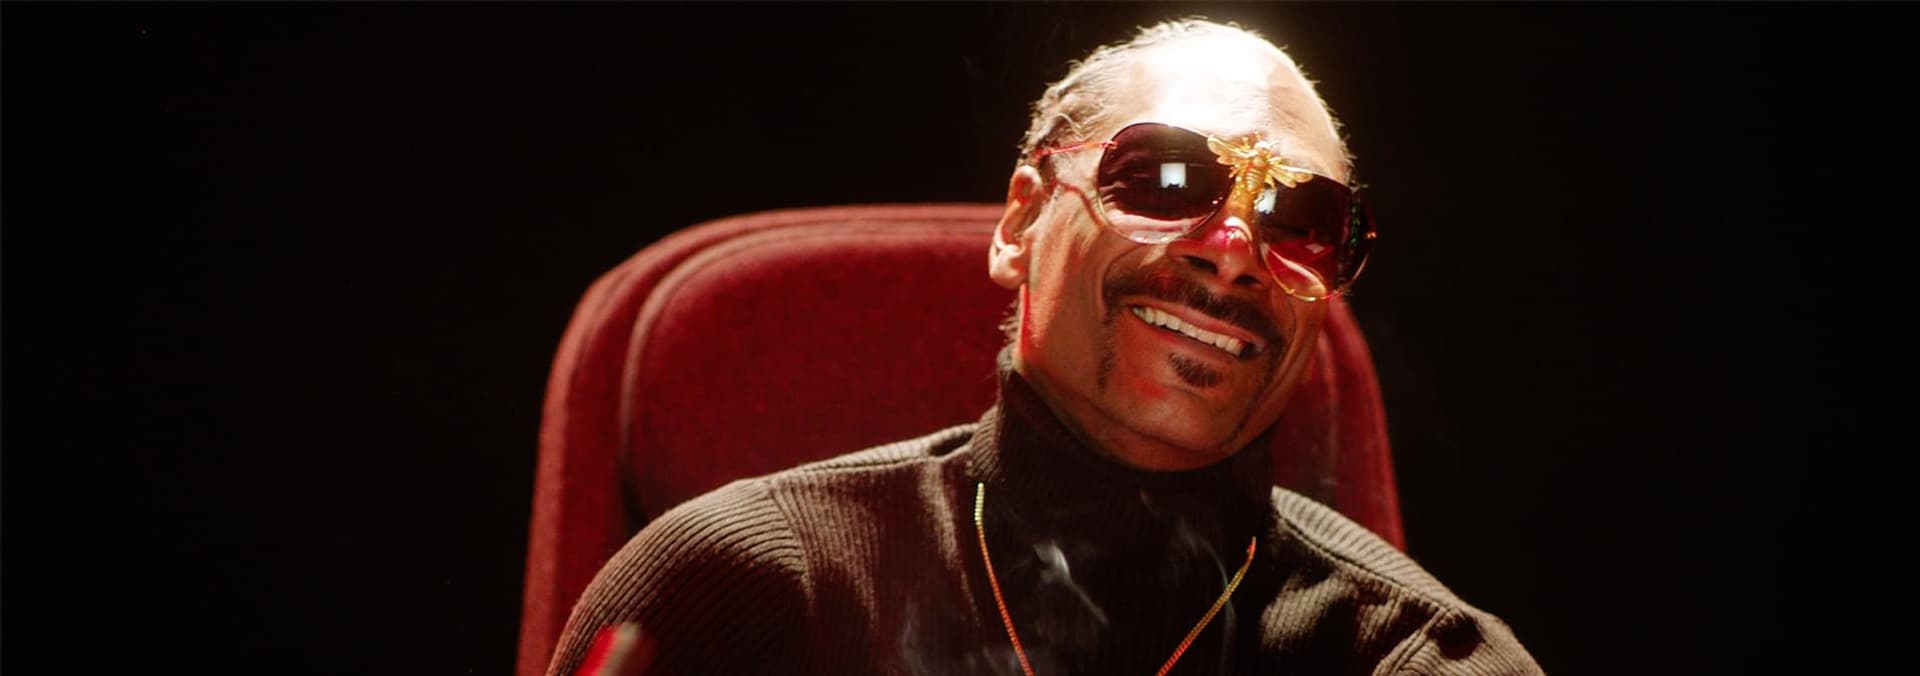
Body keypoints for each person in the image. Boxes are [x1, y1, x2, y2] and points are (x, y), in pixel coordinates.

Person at [546, 19, 1540, 676]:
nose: (1235, 252)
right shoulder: (743, 592)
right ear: (1021, 222)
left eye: (1304, 223)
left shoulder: (1424, 661)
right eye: (1166, 178)